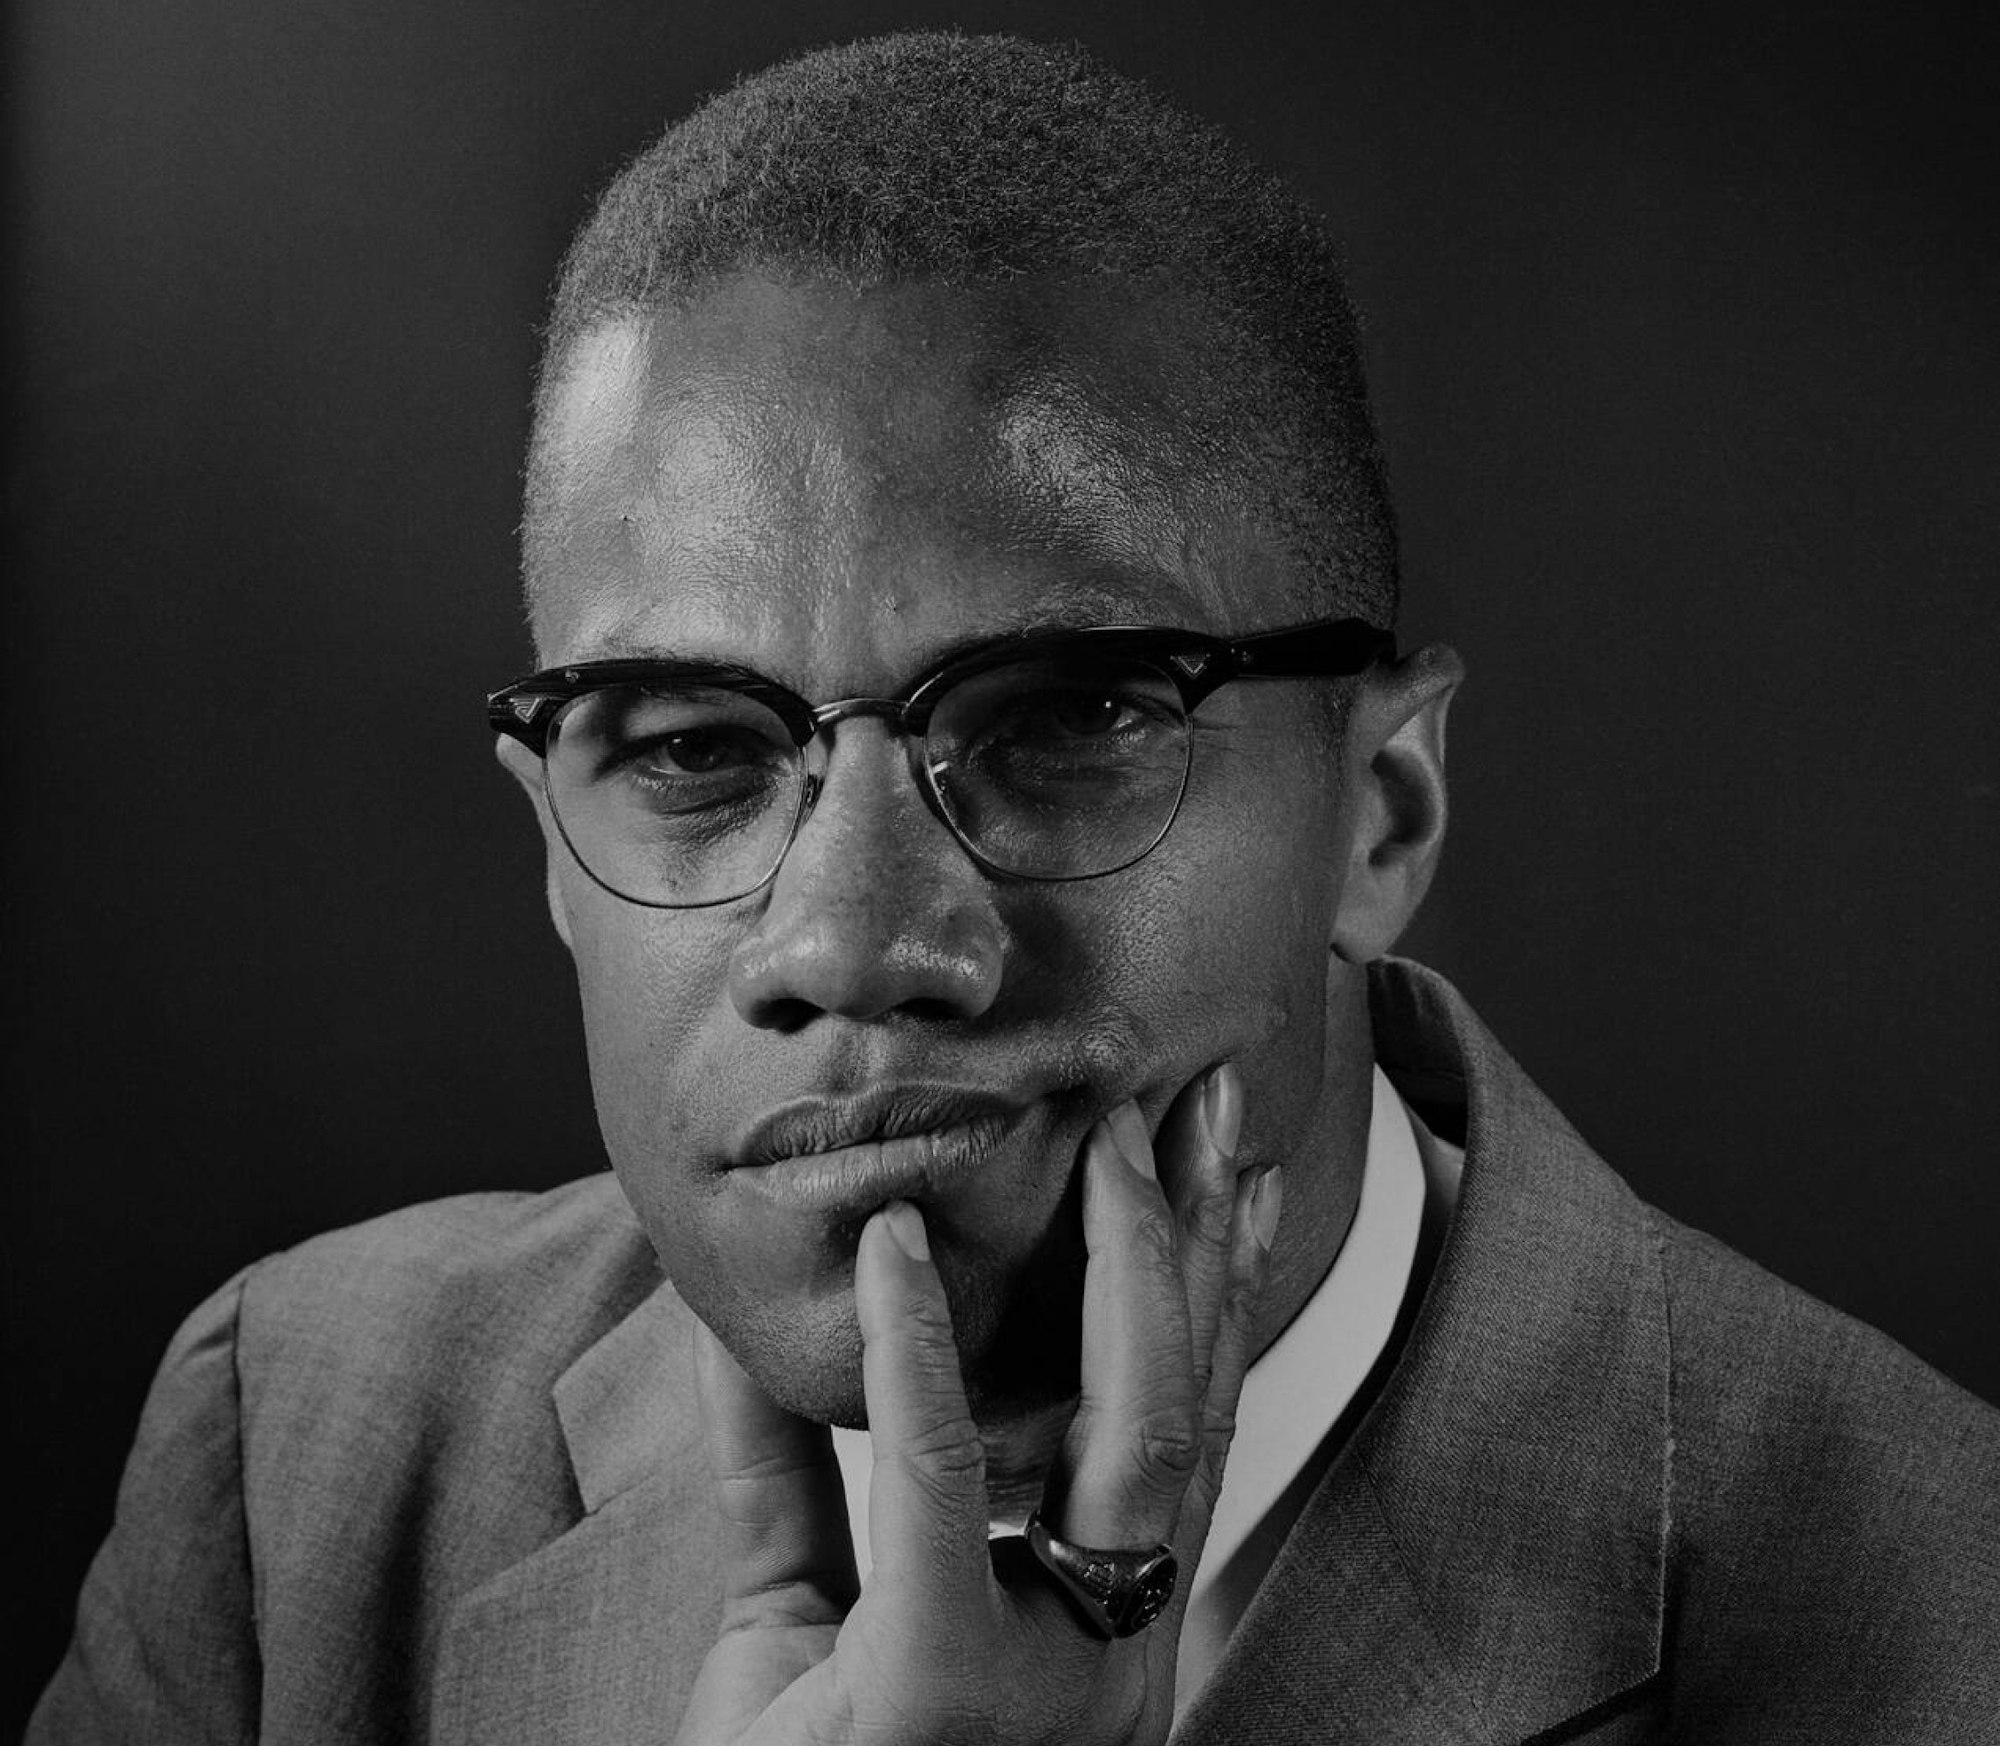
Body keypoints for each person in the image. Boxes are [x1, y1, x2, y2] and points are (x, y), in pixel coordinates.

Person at [30, 30, 2000, 1746]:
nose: (854, 938)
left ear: (1379, 816)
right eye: (690, 752)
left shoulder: (1941, 1627)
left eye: (1064, 720)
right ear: (554, 836)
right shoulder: (289, 1465)